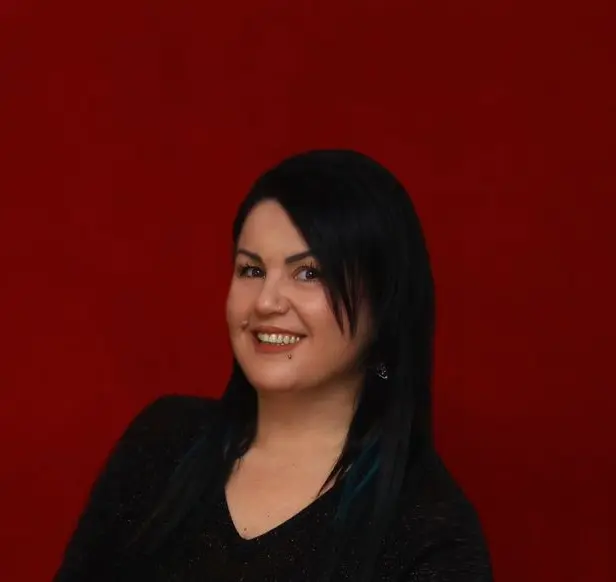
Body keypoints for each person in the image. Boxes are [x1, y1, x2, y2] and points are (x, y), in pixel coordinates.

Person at [53, 149, 493, 581]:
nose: (265, 302)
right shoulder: (163, 442)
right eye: (252, 270)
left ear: (384, 305)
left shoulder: (429, 532)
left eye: (309, 273)